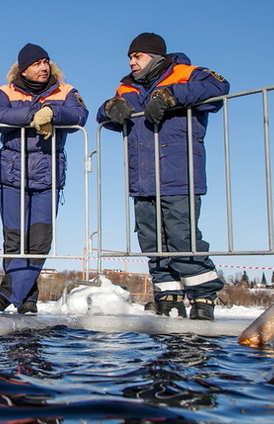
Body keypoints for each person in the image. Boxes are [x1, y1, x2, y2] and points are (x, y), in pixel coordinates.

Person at [96, 32, 230, 320]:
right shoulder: (127, 88)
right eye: (130, 57)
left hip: (179, 174)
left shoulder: (186, 74)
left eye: (137, 56)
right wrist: (110, 108)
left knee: (182, 237)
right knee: (152, 240)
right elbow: (102, 114)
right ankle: (167, 295)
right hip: (142, 179)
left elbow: (219, 87)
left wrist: (171, 96)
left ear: (154, 56)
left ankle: (203, 298)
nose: (131, 61)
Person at [0, 43, 89, 314]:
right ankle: (27, 297)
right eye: (36, 63)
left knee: (39, 240)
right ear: (24, 69)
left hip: (47, 175)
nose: (43, 67)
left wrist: (53, 112)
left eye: (46, 62)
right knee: (14, 240)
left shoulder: (65, 90)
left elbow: (80, 115)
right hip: (11, 174)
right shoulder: (5, 91)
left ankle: (7, 292)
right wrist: (34, 115)